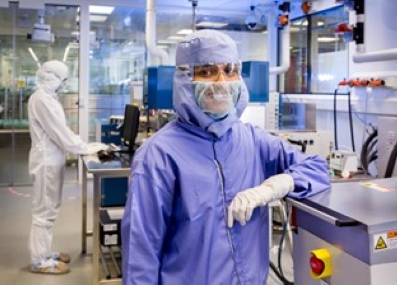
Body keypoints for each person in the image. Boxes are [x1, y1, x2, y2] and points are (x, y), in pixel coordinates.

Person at [121, 30, 330, 284]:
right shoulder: (158, 156)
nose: (221, 82)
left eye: (230, 70)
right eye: (207, 72)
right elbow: (140, 257)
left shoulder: (253, 140)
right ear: (186, 77)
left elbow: (317, 168)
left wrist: (276, 186)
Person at [28, 60, 108, 274]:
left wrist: (85, 146)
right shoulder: (42, 100)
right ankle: (38, 260)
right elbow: (61, 134)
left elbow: (62, 130)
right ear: (51, 77)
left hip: (52, 160)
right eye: (62, 80)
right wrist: (86, 148)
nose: (63, 85)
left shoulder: (47, 98)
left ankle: (45, 252)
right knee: (44, 211)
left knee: (50, 209)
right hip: (46, 162)